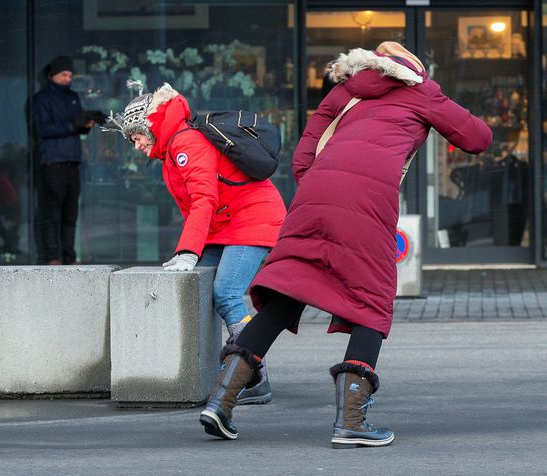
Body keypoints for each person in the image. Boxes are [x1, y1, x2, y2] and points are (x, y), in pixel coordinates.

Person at [199, 42, 493, 447]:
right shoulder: (423, 91)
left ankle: (220, 401)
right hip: (367, 200)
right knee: (371, 300)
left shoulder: (346, 91)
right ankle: (350, 421)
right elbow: (478, 138)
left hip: (315, 194)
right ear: (412, 69)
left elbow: (303, 157)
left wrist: (325, 194)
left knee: (287, 292)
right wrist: (434, 93)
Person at [108, 80, 287, 404]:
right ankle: (214, 371)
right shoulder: (172, 150)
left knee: (226, 293)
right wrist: (191, 251)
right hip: (228, 225)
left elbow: (204, 199)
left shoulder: (185, 143)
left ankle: (252, 377)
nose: (135, 146)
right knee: (199, 290)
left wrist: (188, 251)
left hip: (252, 220)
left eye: (135, 137)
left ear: (148, 129)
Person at [32, 55, 106, 265]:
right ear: (53, 75)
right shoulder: (42, 99)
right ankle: (52, 256)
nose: (67, 78)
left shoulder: (72, 96)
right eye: (64, 74)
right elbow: (43, 129)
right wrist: (73, 124)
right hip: (53, 162)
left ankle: (69, 257)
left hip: (73, 162)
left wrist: (88, 121)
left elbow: (76, 124)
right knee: (52, 212)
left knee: (70, 214)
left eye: (70, 75)